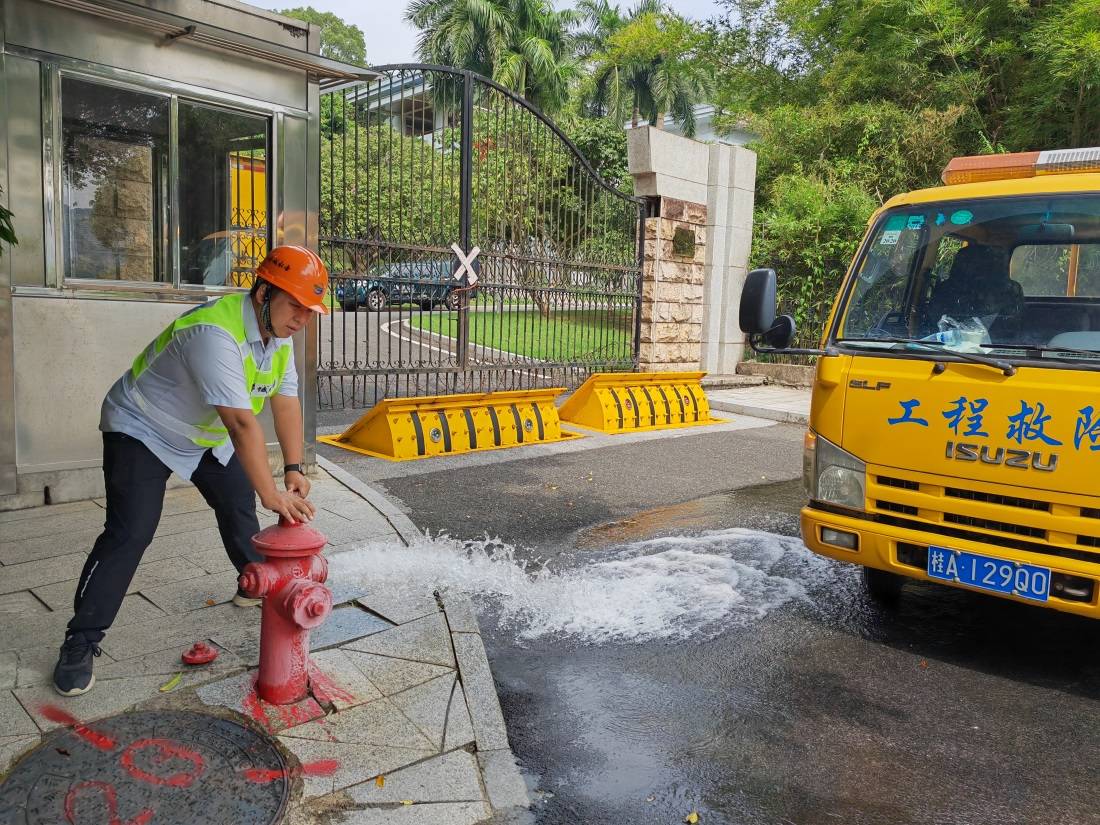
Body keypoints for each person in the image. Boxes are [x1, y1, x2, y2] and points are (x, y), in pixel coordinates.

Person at [52, 245, 329, 697]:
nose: (302, 319)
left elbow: (285, 402)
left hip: (202, 435)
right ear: (264, 292)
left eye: (309, 311)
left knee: (236, 504)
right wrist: (272, 494)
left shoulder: (278, 340)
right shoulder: (214, 332)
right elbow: (241, 425)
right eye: (295, 305)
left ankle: (257, 584)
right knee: (131, 532)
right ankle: (79, 641)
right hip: (142, 428)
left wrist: (294, 468)